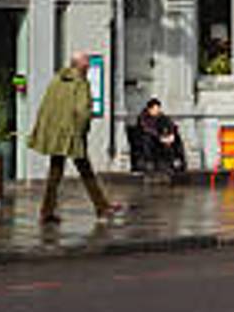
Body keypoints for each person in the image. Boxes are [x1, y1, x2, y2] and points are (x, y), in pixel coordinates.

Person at [30, 51, 122, 224]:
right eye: (86, 63)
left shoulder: (57, 80)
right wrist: (82, 131)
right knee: (84, 171)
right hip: (71, 134)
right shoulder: (80, 83)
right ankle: (102, 208)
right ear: (81, 65)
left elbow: (46, 106)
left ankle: (47, 211)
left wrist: (45, 130)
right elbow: (82, 112)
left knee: (56, 172)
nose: (88, 66)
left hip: (56, 133)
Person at [134, 98, 188, 178]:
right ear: (150, 109)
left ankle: (178, 161)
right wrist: (160, 138)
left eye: (158, 109)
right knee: (147, 139)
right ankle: (150, 162)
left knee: (176, 139)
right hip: (150, 140)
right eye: (155, 109)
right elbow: (147, 130)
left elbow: (170, 124)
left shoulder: (161, 116)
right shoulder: (143, 118)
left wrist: (171, 134)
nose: (157, 111)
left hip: (161, 139)